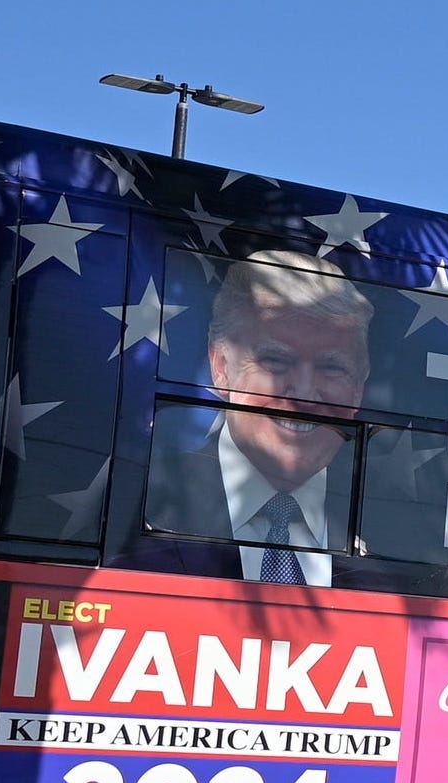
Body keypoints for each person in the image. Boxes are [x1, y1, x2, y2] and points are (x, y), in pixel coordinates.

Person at [144, 250, 374, 585]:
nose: (305, 394)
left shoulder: (403, 525)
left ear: (358, 388)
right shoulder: (145, 496)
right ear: (221, 367)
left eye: (332, 367)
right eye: (276, 361)